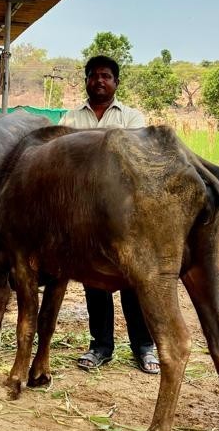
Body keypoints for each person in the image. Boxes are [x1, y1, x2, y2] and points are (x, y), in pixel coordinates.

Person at [60, 54, 157, 375]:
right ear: (86, 80)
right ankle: (100, 346)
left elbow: (137, 161)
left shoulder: (132, 118)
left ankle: (143, 347)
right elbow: (62, 164)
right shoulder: (69, 119)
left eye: (106, 76)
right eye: (93, 76)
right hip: (85, 216)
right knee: (95, 281)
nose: (99, 81)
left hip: (126, 214)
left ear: (115, 82)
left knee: (132, 280)